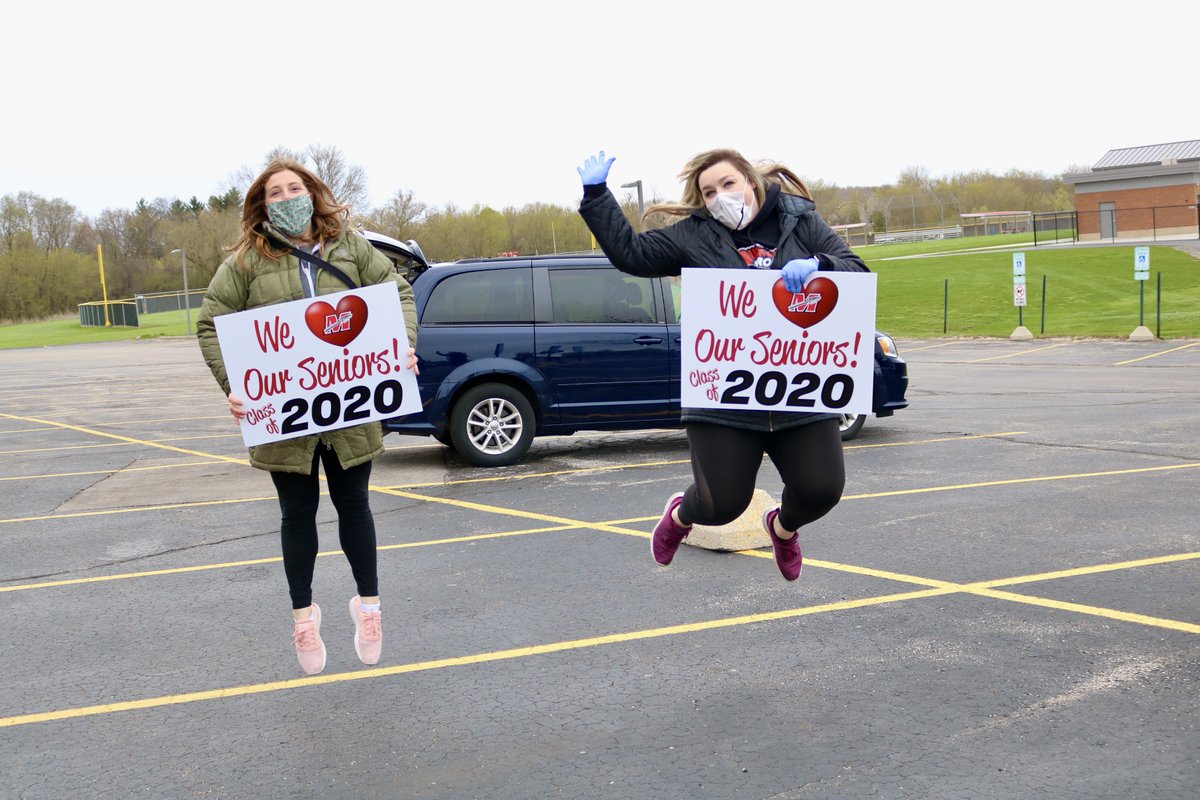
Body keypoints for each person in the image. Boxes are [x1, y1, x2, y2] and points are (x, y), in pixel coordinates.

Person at [577, 148, 869, 581]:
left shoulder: (799, 220)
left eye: (728, 184)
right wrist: (597, 194)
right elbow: (631, 254)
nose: (719, 196)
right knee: (721, 505)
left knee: (821, 489)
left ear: (750, 181)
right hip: (724, 399)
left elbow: (857, 272)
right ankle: (679, 517)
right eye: (708, 191)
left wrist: (820, 265)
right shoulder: (693, 235)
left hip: (797, 392)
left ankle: (782, 529)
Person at [196, 157, 418, 674]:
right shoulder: (247, 262)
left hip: (351, 409)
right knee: (296, 515)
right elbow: (212, 324)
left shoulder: (349, 244)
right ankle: (303, 616)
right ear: (261, 204)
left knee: (355, 506)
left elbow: (397, 294)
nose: (287, 197)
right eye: (276, 192)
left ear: (313, 193)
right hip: (285, 414)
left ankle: (369, 608)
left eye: (295, 188)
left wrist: (402, 345)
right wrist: (236, 386)